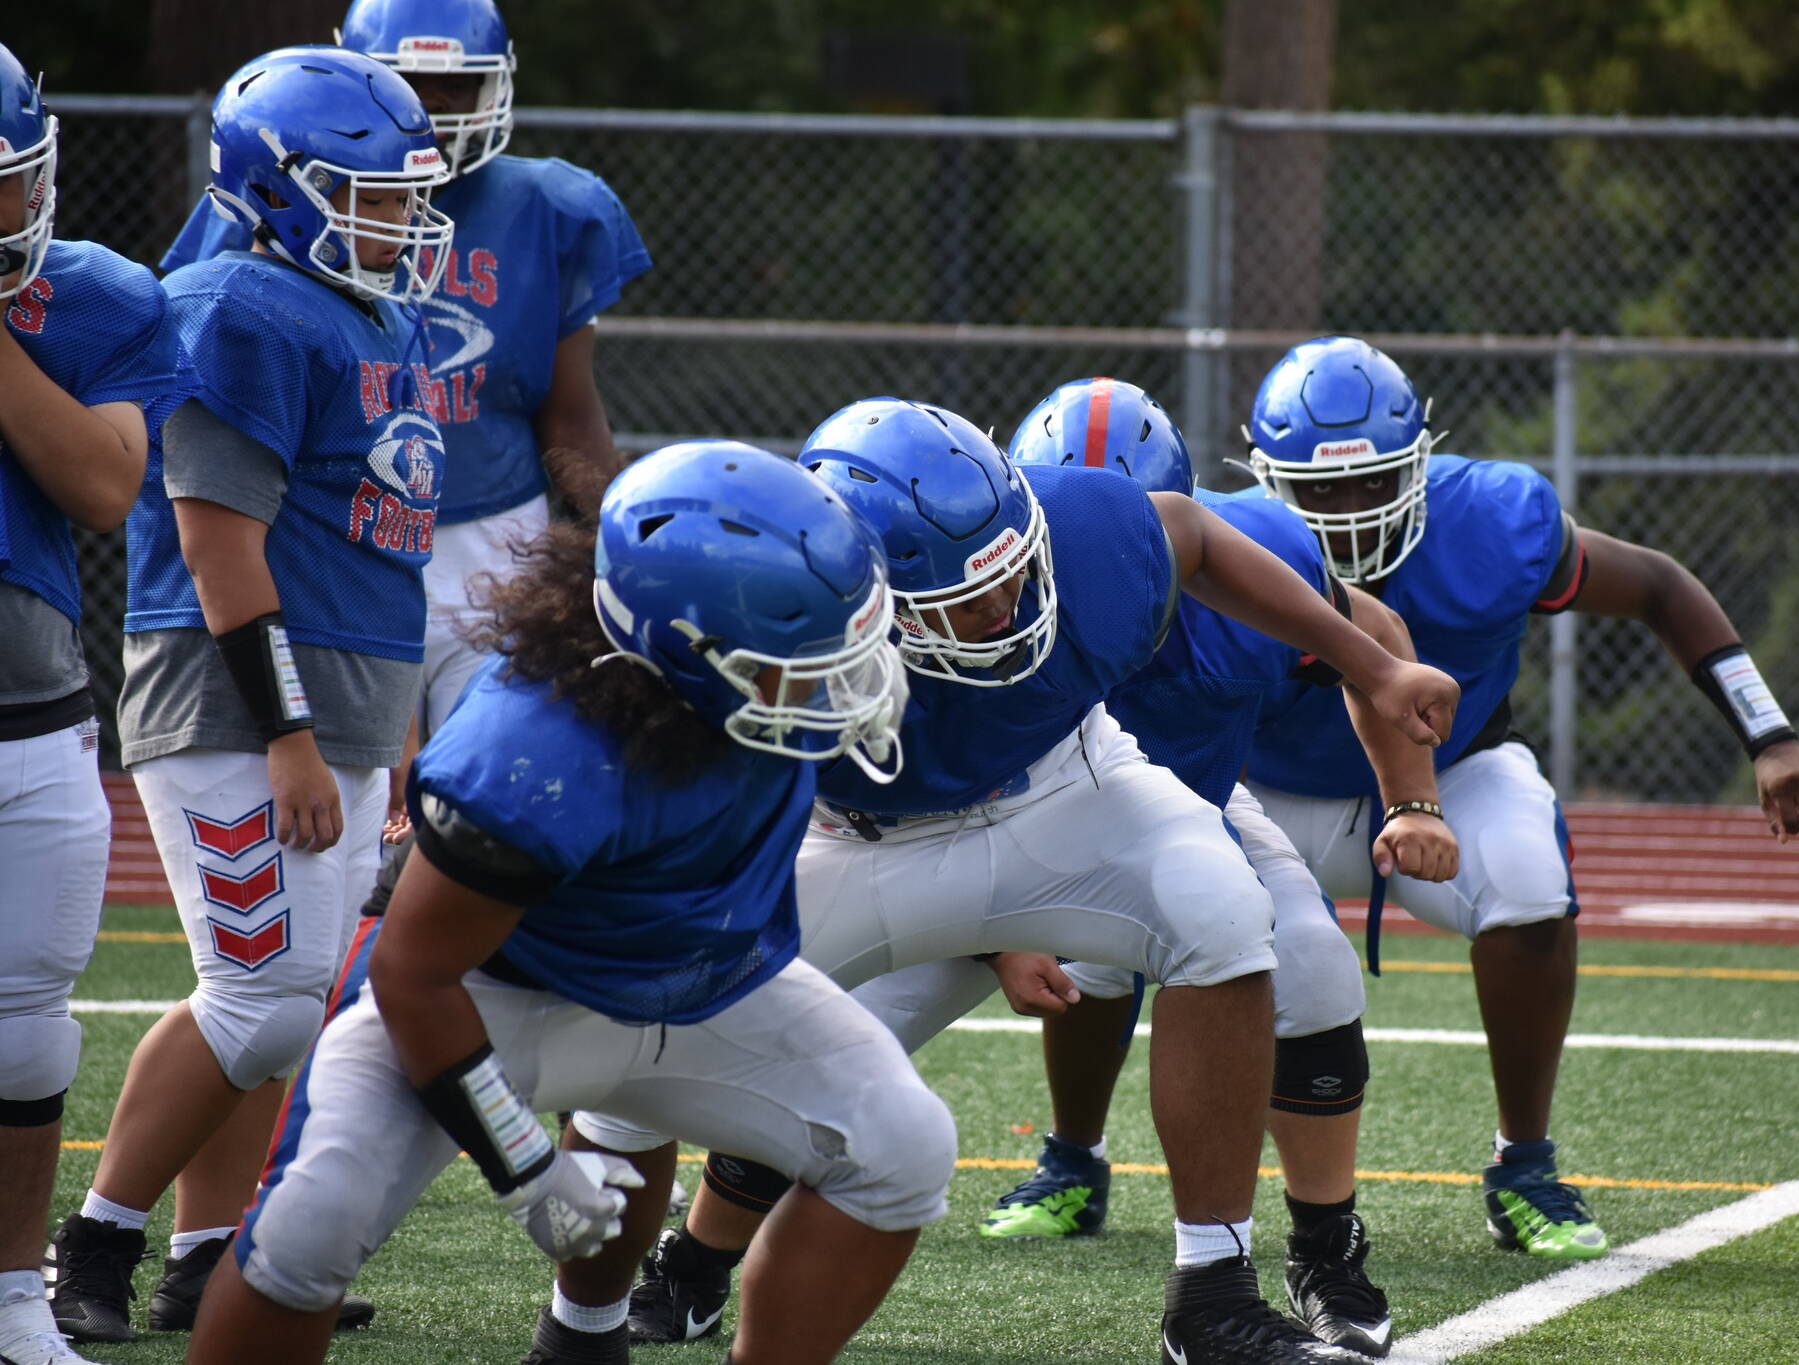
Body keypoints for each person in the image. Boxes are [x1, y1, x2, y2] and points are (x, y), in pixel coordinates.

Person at [568, 397, 1459, 1365]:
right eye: (967, 599)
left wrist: (1372, 670)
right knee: (638, 1048)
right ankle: (589, 1324)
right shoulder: (779, 615)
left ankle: (1212, 1296)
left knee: (1221, 907)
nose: (1005, 610)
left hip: (1059, 784)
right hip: (861, 838)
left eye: (1012, 570)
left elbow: (1191, 535)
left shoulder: (1083, 534)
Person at [181, 440, 951, 1365]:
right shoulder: (533, 757)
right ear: (683, 656)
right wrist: (524, 1167)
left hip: (700, 977)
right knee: (310, 1223)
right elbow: (415, 975)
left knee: (902, 1142)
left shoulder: (737, 673)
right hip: (494, 992)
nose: (848, 682)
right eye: (804, 664)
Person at [1240, 335, 1799, 1260]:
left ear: (1420, 461)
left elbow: (1657, 584)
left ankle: (1523, 1161)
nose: (1349, 509)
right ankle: (1072, 1157)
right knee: (1144, 868)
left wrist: (1769, 734)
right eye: (1319, 488)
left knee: (1529, 875)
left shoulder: (1490, 517)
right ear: (1266, 478)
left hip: (1451, 771)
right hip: (1268, 788)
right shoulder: (1232, 536)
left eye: (1372, 482)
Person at [45, 47, 452, 1341]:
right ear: (277, 189)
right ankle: (94, 1239)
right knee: (262, 994)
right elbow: (219, 541)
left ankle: (210, 1257)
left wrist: (393, 729)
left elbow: (378, 551)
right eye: (369, 194)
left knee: (291, 1004)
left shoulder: (369, 311)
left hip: (342, 699)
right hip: (235, 701)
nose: (398, 220)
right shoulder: (237, 303)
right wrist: (284, 730)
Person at [952, 376, 1459, 1358]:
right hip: (992, 816)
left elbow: (1379, 646)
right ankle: (695, 1260)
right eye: (1063, 538)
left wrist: (1411, 802)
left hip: (1179, 802)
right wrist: (1001, 932)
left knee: (1308, 964)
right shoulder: (965, 581)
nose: (1093, 564)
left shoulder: (1248, 565)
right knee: (848, 1009)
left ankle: (1322, 1250)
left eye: (1126, 543)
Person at [161, 0, 651, 744]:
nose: (433, 104)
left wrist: (617, 552)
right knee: (345, 783)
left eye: (456, 84)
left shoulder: (554, 206)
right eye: (410, 78)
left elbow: (571, 408)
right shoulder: (271, 198)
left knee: (480, 775)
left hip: (498, 537)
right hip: (329, 527)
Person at [0, 43, 188, 1365]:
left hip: (34, 714)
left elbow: (106, 485)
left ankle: (14, 1301)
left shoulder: (98, 297)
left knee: (23, 1027)